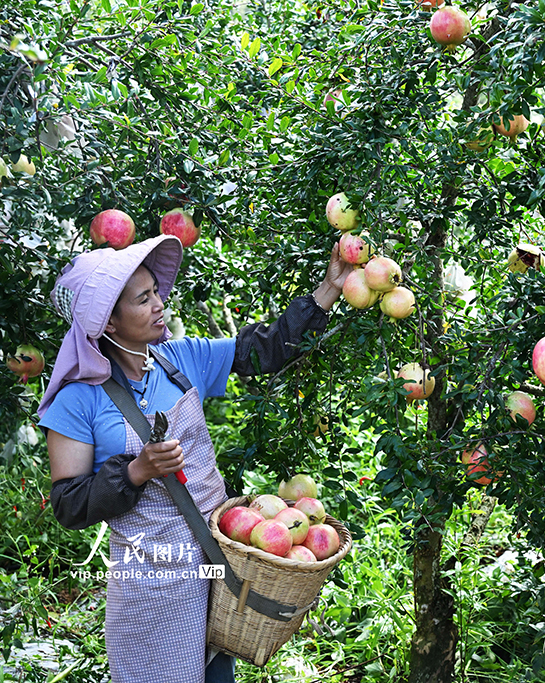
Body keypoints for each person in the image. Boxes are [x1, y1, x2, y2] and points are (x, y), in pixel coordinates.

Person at [37, 234, 353, 683]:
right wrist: (136, 471)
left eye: (156, 292)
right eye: (143, 299)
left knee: (217, 673)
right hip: (151, 581)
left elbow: (265, 349)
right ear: (108, 324)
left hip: (217, 562)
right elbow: (68, 504)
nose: (159, 304)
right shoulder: (78, 401)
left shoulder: (180, 359)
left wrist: (330, 288)